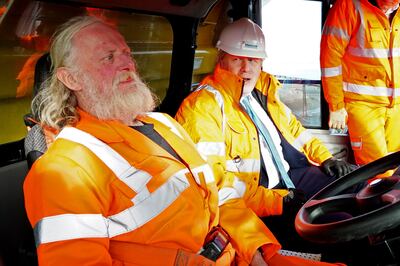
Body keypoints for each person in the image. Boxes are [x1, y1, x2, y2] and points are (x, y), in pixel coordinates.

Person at [23, 16, 343, 266]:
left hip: (240, 252)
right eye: (108, 57)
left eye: (126, 53)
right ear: (71, 78)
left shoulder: (163, 124)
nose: (127, 63)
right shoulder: (63, 169)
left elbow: (220, 194)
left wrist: (258, 250)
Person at [175, 17, 354, 250]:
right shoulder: (203, 107)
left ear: (261, 62)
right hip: (257, 199)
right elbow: (213, 184)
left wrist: (325, 157)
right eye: (237, 59)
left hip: (291, 177)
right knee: (341, 229)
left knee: (355, 183)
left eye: (252, 59)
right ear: (221, 60)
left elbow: (294, 130)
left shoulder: (262, 92)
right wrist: (278, 200)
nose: (246, 68)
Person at [320, 0, 400, 178]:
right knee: (378, 172)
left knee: (395, 169)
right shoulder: (348, 6)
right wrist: (336, 106)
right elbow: (330, 60)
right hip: (363, 105)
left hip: (397, 106)